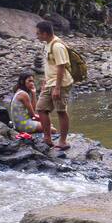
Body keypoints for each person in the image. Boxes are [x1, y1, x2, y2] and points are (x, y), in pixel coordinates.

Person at [34, 20, 73, 150]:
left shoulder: (57, 46)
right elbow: (50, 65)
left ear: (45, 33)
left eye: (38, 33)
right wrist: (45, 81)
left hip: (60, 84)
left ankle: (63, 141)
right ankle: (47, 138)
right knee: (41, 108)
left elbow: (61, 67)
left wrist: (57, 88)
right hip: (50, 82)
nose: (37, 36)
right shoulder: (47, 44)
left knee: (61, 111)